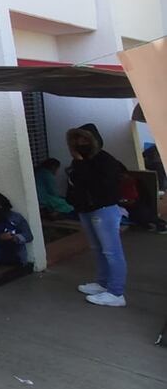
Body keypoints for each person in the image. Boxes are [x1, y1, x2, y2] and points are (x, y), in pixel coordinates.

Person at [67, 124, 128, 307]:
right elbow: (76, 184)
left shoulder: (104, 160)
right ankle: (102, 283)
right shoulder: (79, 161)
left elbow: (95, 184)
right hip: (86, 210)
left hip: (103, 209)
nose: (80, 143)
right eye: (77, 139)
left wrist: (79, 163)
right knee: (98, 248)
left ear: (94, 140)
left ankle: (116, 293)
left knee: (112, 251)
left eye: (85, 139)